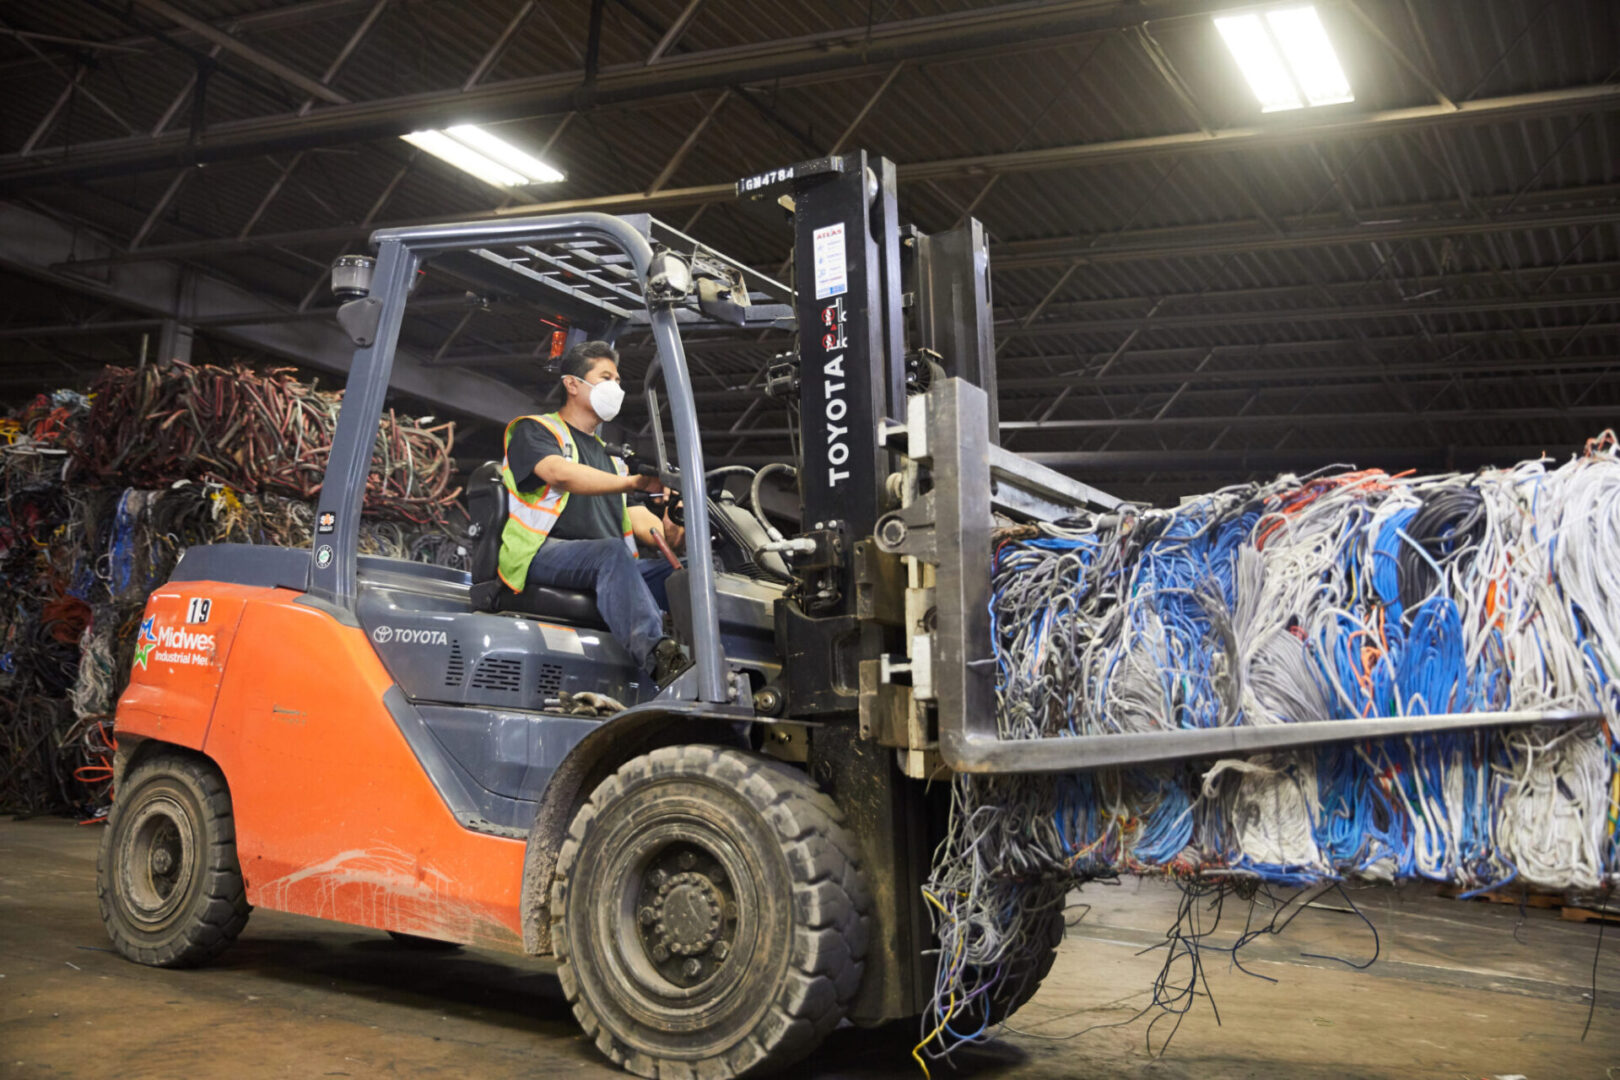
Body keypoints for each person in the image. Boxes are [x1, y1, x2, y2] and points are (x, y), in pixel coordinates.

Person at [497, 340, 691, 687]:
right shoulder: (536, 430)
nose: (615, 387)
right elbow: (560, 474)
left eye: (618, 380)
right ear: (572, 384)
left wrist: (672, 517)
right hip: (543, 554)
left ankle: (709, 658)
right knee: (611, 552)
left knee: (685, 572)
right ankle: (660, 660)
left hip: (604, 563)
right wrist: (632, 482)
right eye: (606, 377)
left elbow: (643, 524)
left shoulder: (611, 458)